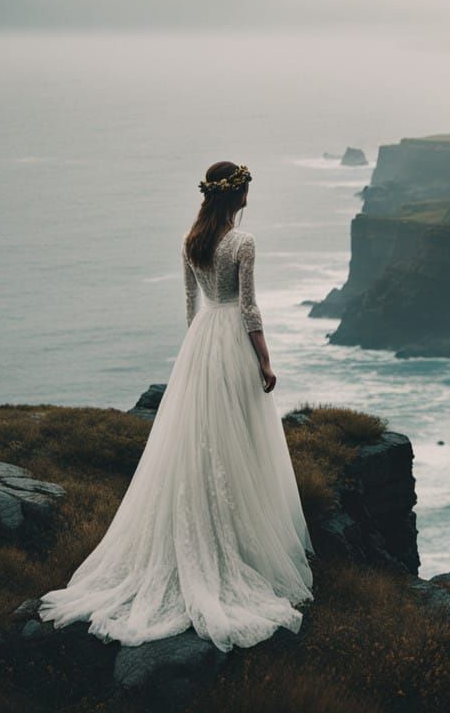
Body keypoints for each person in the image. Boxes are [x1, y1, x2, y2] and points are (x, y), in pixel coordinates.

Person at [37, 161, 315, 652]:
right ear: (236, 195)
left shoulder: (191, 242)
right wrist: (265, 361)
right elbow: (249, 308)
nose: (250, 194)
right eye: (247, 188)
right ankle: (237, 547)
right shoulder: (242, 244)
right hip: (231, 341)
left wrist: (198, 354)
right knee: (239, 442)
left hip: (202, 342)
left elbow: (191, 307)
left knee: (197, 441)